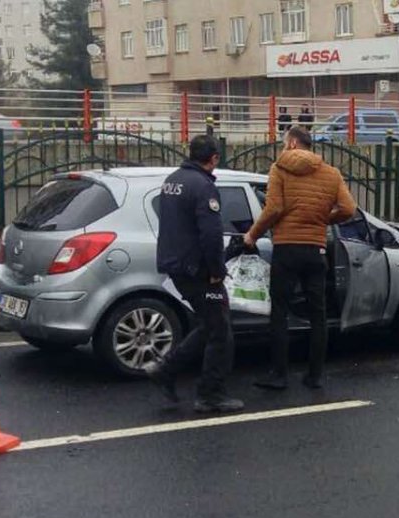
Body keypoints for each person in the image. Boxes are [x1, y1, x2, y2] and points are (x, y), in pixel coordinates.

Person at [244, 126, 357, 390]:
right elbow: (349, 208)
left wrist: (252, 234)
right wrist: (323, 219)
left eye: (285, 143)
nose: (283, 148)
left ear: (293, 143)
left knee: (280, 312)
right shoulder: (331, 173)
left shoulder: (279, 169)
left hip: (286, 248)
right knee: (318, 313)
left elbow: (274, 208)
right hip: (316, 249)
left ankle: (279, 375)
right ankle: (315, 375)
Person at [146, 135, 243, 413]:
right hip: (198, 269)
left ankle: (165, 370)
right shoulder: (203, 186)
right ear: (214, 158)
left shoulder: (172, 180)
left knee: (209, 324)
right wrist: (216, 270)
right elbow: (211, 234)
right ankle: (210, 394)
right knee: (221, 331)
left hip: (177, 265)